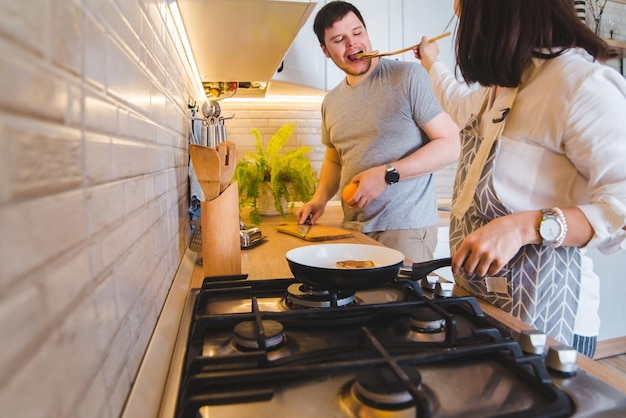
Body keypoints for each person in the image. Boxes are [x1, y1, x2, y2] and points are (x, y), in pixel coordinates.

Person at [414, 0, 626, 357]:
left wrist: (525, 227)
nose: (456, 8)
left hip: (548, 324)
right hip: (485, 310)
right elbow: (454, 100)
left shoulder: (579, 84)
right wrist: (430, 61)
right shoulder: (495, 91)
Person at [296, 1, 460, 262]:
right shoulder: (331, 101)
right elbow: (334, 160)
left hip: (405, 229)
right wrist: (319, 200)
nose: (352, 44)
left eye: (357, 33)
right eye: (339, 39)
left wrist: (387, 174)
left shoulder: (409, 77)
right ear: (325, 51)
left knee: (399, 304)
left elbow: (451, 144)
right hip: (354, 230)